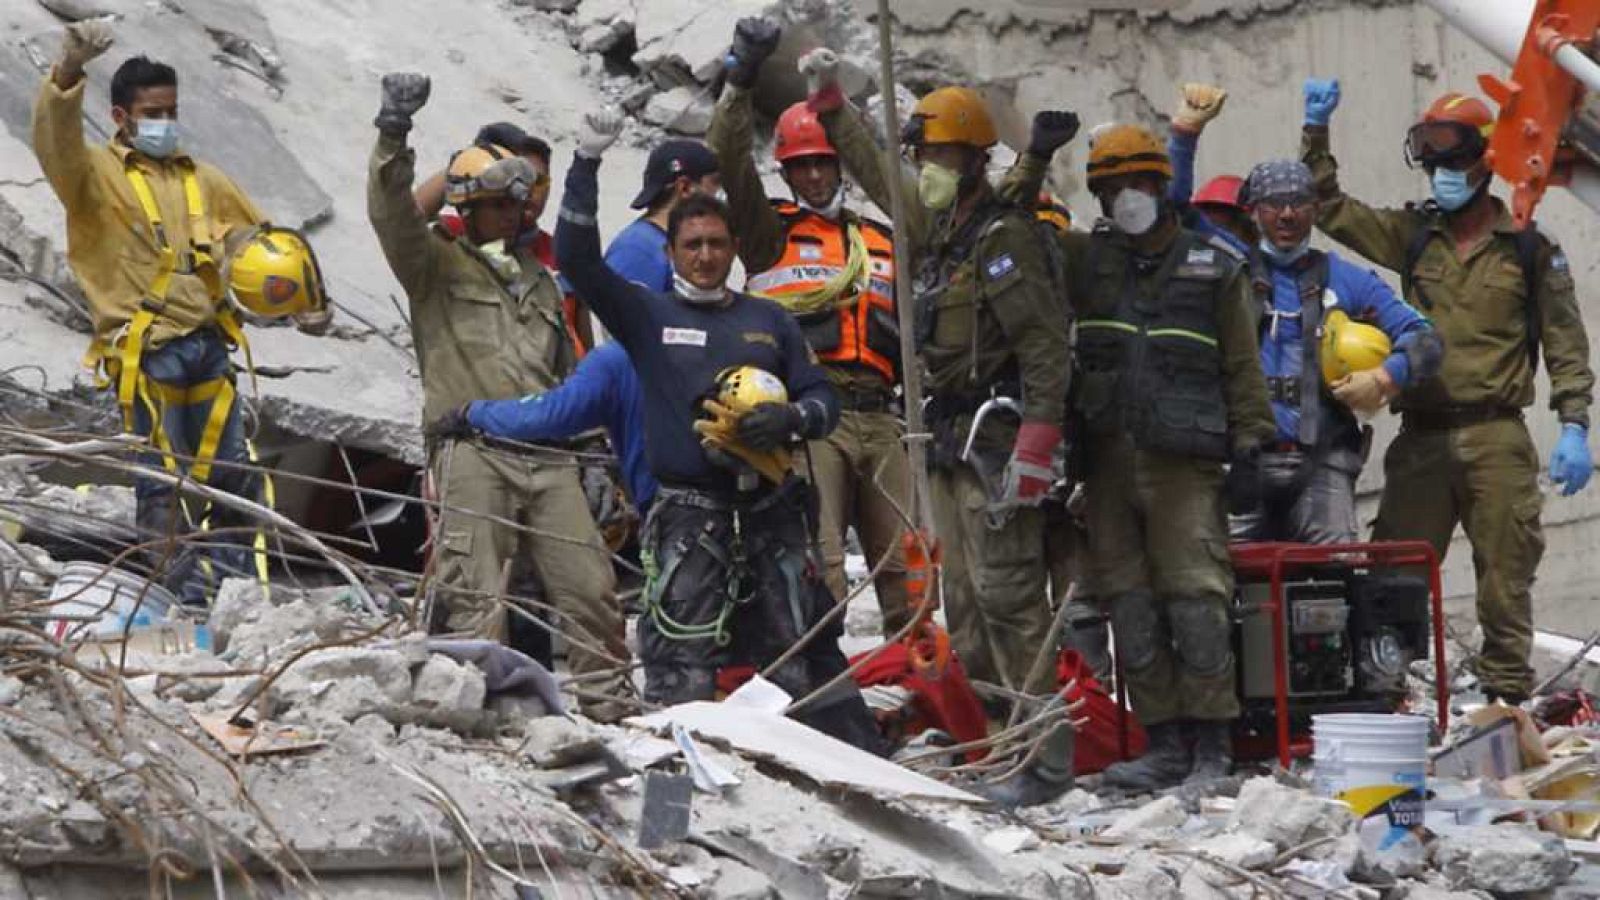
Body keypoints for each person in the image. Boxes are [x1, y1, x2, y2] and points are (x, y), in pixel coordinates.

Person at [554, 108, 884, 752]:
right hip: (686, 519)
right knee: (680, 662)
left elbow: (823, 398)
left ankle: (801, 785)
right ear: (672, 252)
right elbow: (576, 260)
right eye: (692, 246)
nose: (705, 256)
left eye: (716, 245)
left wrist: (792, 417)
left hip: (771, 513)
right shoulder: (646, 315)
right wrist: (585, 164)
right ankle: (683, 787)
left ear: (734, 250)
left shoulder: (769, 321)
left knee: (794, 653)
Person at [804, 52, 1077, 805]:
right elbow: (875, 172)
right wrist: (832, 107)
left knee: (1011, 597)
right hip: (949, 441)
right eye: (920, 154)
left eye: (938, 154)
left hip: (997, 438)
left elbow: (1045, 348)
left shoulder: (1002, 239)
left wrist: (1038, 446)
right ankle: (996, 744)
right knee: (963, 600)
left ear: (973, 159)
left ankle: (1046, 759)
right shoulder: (939, 235)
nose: (924, 165)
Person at [1301, 79, 1596, 704]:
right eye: (1432, 163)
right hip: (1423, 438)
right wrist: (1316, 131)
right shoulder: (1413, 237)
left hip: (1496, 435)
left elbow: (1566, 343)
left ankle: (1505, 701)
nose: (1441, 174)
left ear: (1485, 163)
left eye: (1453, 162)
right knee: (1393, 576)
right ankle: (1383, 689)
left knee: (1504, 577)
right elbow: (1328, 207)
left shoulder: (1528, 249)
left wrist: (1575, 423)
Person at [32, 22, 332, 605]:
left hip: (207, 348)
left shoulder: (207, 180)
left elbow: (261, 250)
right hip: (147, 354)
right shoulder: (94, 177)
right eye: (152, 112)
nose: (164, 122)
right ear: (121, 117)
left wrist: (306, 304)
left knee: (235, 478)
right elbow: (56, 143)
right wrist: (66, 73)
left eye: (170, 110)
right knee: (163, 485)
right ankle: (184, 595)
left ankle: (238, 600)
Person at [367, 72, 630, 721]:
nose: (516, 214)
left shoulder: (541, 280)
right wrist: (393, 131)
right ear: (470, 207)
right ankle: (480, 718)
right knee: (476, 599)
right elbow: (389, 211)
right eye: (501, 203)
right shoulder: (435, 266)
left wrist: (596, 457)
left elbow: (570, 374)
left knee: (591, 590)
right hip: (472, 453)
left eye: (519, 203)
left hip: (549, 455)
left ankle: (611, 710)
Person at [1046, 123, 1274, 790]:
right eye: (1112, 188)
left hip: (1184, 466)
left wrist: (1253, 444)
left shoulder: (1215, 269)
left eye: (1138, 182)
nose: (1127, 197)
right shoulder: (1088, 264)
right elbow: (1021, 238)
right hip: (1109, 462)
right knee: (1131, 602)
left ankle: (1212, 749)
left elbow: (1242, 367)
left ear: (1161, 184)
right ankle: (1165, 743)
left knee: (1197, 599)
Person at [707, 18, 913, 636]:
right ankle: (822, 680)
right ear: (787, 173)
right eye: (803, 168)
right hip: (811, 416)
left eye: (824, 164)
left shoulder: (879, 239)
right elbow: (728, 156)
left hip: (882, 416)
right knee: (821, 562)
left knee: (906, 564)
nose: (816, 177)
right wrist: (741, 78)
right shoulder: (768, 233)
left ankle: (917, 675)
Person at [1229, 159, 1441, 543]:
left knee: (1335, 581)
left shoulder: (1348, 280)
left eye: (1299, 202)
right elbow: (1173, 217)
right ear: (1253, 210)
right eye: (1274, 203)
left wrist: (1384, 376)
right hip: (1239, 464)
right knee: (1208, 586)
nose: (1288, 214)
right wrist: (1183, 137)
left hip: (1323, 461)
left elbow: (1424, 338)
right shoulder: (1227, 277)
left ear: (1317, 209)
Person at [413, 123, 594, 356]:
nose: (527, 191)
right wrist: (465, 163)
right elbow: (409, 216)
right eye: (513, 179)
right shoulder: (460, 237)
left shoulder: (561, 255)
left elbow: (583, 337)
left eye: (538, 181)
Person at [452, 341, 655, 514]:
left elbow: (554, 411)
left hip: (669, 513)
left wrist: (473, 412)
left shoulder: (619, 358)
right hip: (477, 455)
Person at [606, 139, 722, 291]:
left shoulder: (668, 243)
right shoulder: (639, 251)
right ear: (685, 188)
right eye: (715, 183)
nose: (719, 193)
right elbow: (619, 313)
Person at [1166, 82, 1255, 254]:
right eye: (1207, 224)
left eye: (1225, 228)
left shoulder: (1258, 266)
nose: (1212, 234)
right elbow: (1174, 207)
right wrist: (1184, 135)